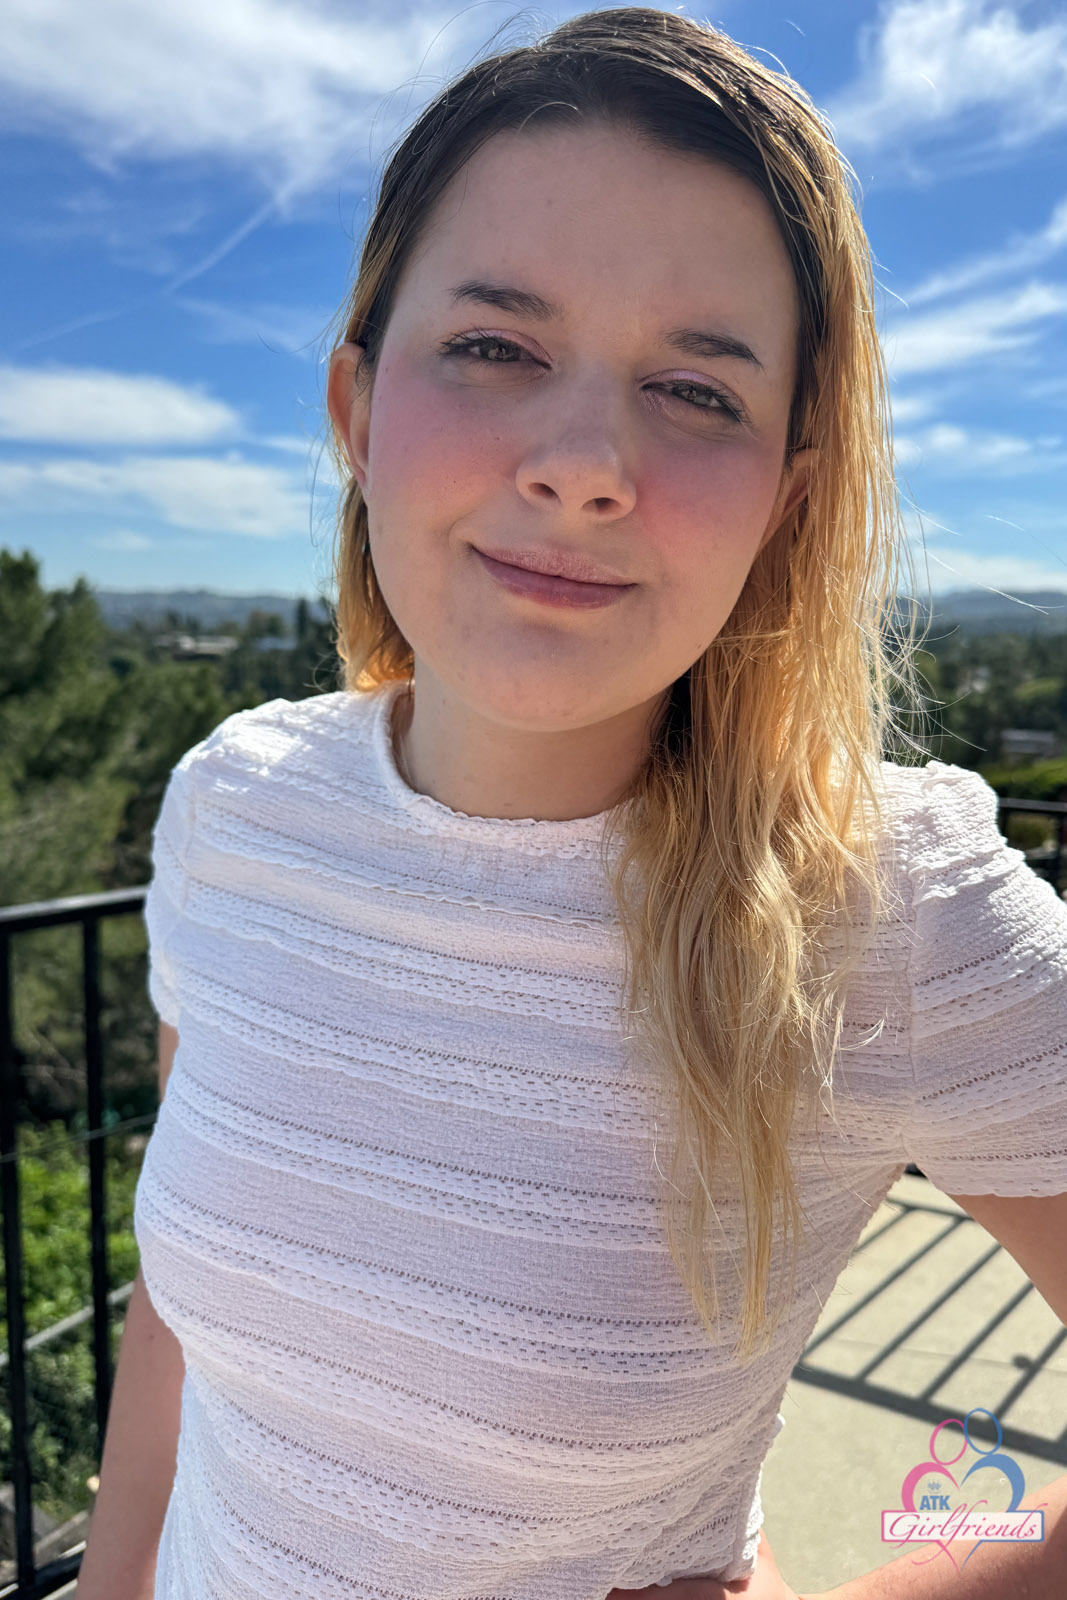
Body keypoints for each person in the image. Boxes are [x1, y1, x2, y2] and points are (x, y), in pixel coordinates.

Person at [77, 8, 1067, 1600]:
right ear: (355, 412)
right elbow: (177, 1332)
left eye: (697, 390)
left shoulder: (884, 915)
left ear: (786, 501)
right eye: (495, 347)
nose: (586, 462)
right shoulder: (233, 814)